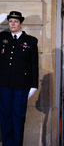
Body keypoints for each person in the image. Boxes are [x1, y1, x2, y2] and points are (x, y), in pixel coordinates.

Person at [0, 11, 38, 146]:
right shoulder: (2, 37)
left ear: (21, 24)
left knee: (18, 117)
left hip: (21, 86)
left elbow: (34, 64)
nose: (12, 24)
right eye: (10, 21)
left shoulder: (31, 41)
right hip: (4, 84)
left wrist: (34, 85)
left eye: (15, 21)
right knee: (5, 117)